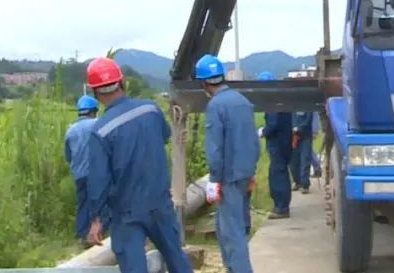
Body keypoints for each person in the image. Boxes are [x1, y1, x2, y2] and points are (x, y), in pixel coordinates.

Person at [83, 57, 193, 273]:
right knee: (177, 258)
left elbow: (98, 181)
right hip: (160, 202)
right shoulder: (150, 110)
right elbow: (164, 136)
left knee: (134, 268)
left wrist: (96, 219)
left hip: (127, 212)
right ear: (122, 82)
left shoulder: (101, 131)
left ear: (95, 92)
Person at [196, 54, 259, 273]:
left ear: (204, 82)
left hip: (228, 177)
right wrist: (251, 172)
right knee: (228, 228)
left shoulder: (216, 105)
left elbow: (215, 148)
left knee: (233, 233)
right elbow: (253, 140)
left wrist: (214, 180)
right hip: (244, 174)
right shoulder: (242, 101)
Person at [64, 93, 101, 247]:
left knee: (83, 204)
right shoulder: (98, 124)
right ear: (93, 111)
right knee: (101, 203)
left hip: (79, 174)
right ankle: (100, 235)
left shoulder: (70, 130)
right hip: (98, 173)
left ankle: (82, 236)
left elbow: (68, 155)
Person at [256, 71, 293, 219]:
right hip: (285, 142)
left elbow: (273, 124)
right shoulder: (282, 99)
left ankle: (281, 207)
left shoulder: (272, 102)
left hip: (277, 144)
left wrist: (262, 132)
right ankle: (282, 205)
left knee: (277, 174)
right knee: (281, 173)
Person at [289, 111, 313, 194]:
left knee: (305, 159)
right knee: (293, 161)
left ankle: (305, 185)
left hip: (305, 136)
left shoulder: (306, 105)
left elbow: (308, 121)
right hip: (292, 137)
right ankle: (297, 182)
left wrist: (298, 128)